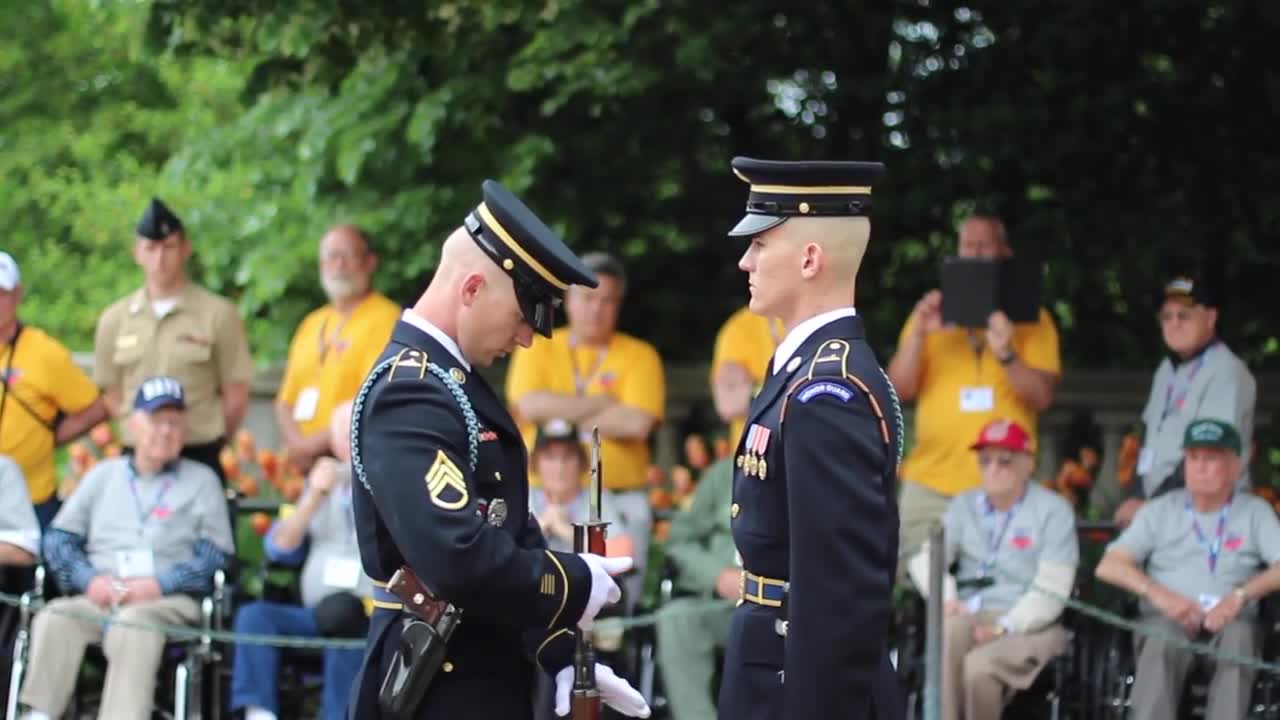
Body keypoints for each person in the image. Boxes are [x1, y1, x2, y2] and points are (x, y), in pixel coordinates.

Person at [348, 180, 649, 719]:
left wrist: (556, 651)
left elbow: (503, 526)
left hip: (477, 668)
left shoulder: (450, 382)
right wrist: (572, 583)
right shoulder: (409, 390)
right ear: (470, 289)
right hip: (435, 682)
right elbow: (456, 554)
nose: (528, 339)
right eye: (520, 316)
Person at [715, 157, 904, 720]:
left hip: (794, 676)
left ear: (809, 259)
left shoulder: (826, 392)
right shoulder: (806, 369)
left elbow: (839, 592)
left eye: (761, 245)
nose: (746, 259)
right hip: (773, 658)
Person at [18, 376, 235, 720]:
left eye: (174, 422)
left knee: (134, 623)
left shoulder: (203, 481)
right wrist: (89, 580)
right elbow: (58, 538)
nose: (165, 431)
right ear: (132, 425)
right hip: (102, 593)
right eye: (156, 420)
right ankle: (39, 715)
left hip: (167, 601)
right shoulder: (103, 475)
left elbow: (216, 556)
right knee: (57, 617)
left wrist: (159, 585)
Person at [1096, 418, 1280, 720]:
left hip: (1230, 621)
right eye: (1193, 458)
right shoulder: (1159, 510)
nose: (1200, 467)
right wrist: (1159, 595)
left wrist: (1240, 596)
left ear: (1235, 466)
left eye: (1211, 458)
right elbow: (1109, 565)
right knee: (1161, 638)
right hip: (1167, 618)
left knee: (1240, 640)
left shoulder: (1254, 512)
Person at [907, 419, 1078, 720]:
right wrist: (947, 598)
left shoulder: (1054, 510)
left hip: (1031, 623)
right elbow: (924, 560)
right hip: (972, 612)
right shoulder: (964, 505)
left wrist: (1006, 625)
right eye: (985, 461)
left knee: (978, 669)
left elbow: (1053, 589)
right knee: (949, 629)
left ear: (1029, 465)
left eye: (1005, 461)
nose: (993, 469)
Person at [93, 198, 255, 483]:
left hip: (198, 451)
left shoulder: (218, 314)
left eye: (168, 247)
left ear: (185, 249)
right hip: (136, 456)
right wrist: (142, 432)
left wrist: (210, 436)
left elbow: (236, 396)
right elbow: (113, 393)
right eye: (150, 248)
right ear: (136, 253)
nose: (159, 259)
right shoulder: (115, 319)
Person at [230, 401, 368, 720]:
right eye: (346, 437)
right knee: (255, 617)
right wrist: (315, 496)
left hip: (366, 613)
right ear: (333, 444)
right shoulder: (318, 484)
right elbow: (278, 549)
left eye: (360, 433)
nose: (354, 442)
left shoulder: (390, 483)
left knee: (343, 617)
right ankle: (259, 713)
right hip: (315, 613)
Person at [1112, 273, 1255, 528]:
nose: (1174, 323)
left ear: (1211, 318)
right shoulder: (1166, 369)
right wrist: (1137, 495)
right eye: (1167, 317)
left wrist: (1150, 506)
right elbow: (1146, 439)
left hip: (1210, 513)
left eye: (1184, 315)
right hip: (1161, 511)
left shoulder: (1226, 371)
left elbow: (1209, 449)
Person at [274, 226, 400, 475]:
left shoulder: (387, 319)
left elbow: (373, 398)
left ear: (370, 262)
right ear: (321, 265)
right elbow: (284, 402)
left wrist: (308, 446)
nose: (339, 265)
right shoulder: (311, 323)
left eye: (349, 256)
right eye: (331, 256)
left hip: (353, 466)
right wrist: (297, 447)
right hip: (303, 469)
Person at [0, 251, 108, 527]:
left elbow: (95, 408)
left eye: (2, 292)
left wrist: (50, 436)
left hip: (29, 499)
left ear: (17, 295)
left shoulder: (44, 352)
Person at [655, 454, 737, 720]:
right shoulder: (724, 474)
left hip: (792, 610)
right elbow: (680, 542)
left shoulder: (814, 471)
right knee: (676, 617)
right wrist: (716, 574)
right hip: (725, 606)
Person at [710, 306, 783, 449]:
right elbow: (728, 404)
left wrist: (755, 389)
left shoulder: (827, 315)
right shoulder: (740, 328)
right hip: (754, 458)